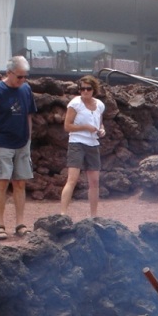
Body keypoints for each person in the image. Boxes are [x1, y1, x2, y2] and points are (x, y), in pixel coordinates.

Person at [0, 55, 37, 240]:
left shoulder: (26, 89)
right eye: (19, 76)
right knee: (2, 181)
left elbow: (29, 115)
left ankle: (20, 223)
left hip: (22, 142)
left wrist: (28, 139)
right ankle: (0, 224)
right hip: (2, 141)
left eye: (25, 76)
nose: (23, 80)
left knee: (20, 182)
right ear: (9, 73)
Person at [60, 75, 106, 218]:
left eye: (88, 89)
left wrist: (102, 130)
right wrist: (85, 127)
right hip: (77, 143)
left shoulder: (99, 105)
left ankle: (93, 216)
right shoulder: (75, 104)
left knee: (94, 181)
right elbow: (67, 126)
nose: (85, 92)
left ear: (94, 89)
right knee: (72, 179)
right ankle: (63, 214)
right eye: (82, 89)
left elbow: (100, 123)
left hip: (93, 144)